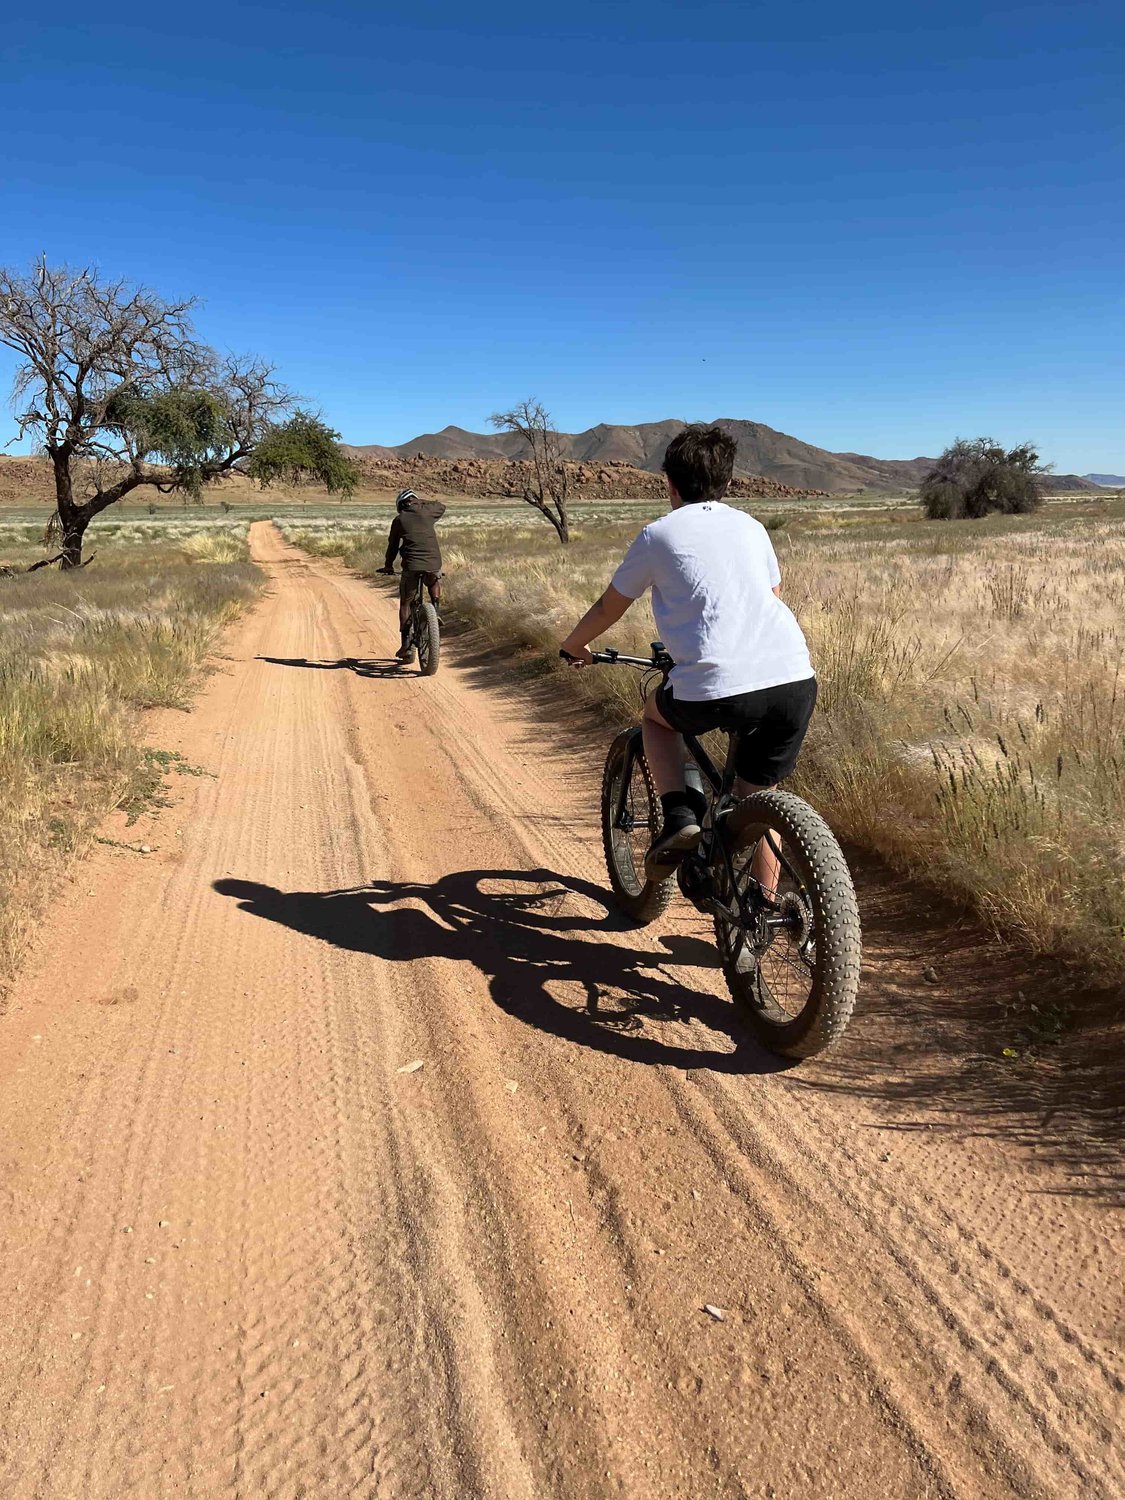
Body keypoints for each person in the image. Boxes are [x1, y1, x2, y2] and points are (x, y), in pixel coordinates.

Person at [559, 424, 816, 880]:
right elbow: (772, 592)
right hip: (794, 678)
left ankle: (679, 814)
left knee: (654, 716)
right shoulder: (752, 526)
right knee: (759, 798)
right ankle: (761, 917)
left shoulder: (658, 535)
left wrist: (575, 645)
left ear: (670, 483)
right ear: (728, 482)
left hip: (714, 685)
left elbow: (609, 605)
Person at [379, 488, 446, 663]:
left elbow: (392, 546)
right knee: (434, 579)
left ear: (400, 505)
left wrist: (388, 565)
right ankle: (435, 610)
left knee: (406, 602)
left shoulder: (399, 519)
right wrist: (419, 502)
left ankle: (406, 645)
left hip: (411, 565)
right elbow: (441, 505)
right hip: (433, 562)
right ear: (415, 501)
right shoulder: (429, 512)